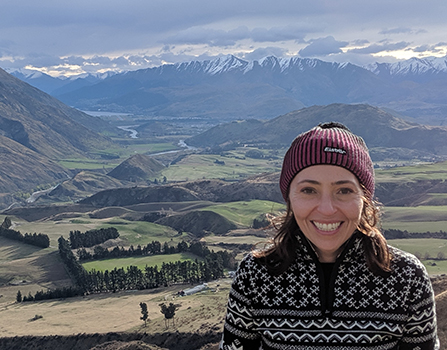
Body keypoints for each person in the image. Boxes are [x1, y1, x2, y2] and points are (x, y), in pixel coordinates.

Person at [220, 122, 439, 349]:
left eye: (344, 190)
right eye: (309, 190)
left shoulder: (407, 277)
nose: (327, 209)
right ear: (290, 199)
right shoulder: (256, 275)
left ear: (364, 201)